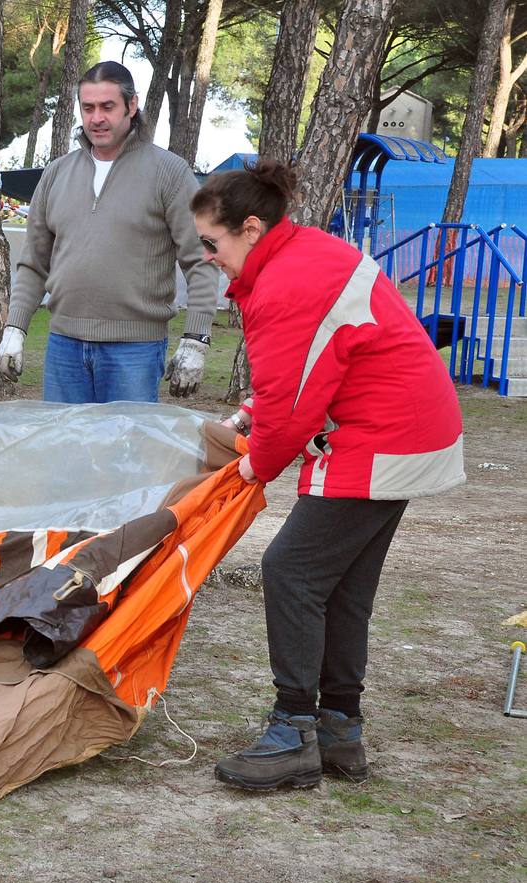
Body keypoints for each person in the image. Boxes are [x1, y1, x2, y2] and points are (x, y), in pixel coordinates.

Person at [192, 160, 465, 791]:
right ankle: (340, 730)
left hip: (383, 437)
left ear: (252, 229)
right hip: (405, 430)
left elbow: (291, 408)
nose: (208, 257)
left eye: (213, 243)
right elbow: (315, 368)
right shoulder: (303, 257)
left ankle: (293, 730)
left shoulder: (288, 281)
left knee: (291, 570)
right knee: (340, 586)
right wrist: (250, 417)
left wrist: (252, 468)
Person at [0, 61, 219, 403]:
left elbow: (200, 259)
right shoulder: (56, 174)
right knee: (66, 453)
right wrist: (14, 328)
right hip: (64, 347)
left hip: (136, 351)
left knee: (126, 455)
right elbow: (34, 263)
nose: (96, 118)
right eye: (88, 108)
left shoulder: (170, 173)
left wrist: (196, 338)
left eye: (107, 107)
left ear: (132, 106)